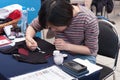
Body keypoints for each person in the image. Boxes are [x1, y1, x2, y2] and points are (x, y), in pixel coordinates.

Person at [25, 0, 99, 64]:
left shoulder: (88, 20)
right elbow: (33, 26)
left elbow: (91, 50)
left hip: (84, 56)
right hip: (62, 53)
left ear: (66, 20)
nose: (52, 30)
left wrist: (67, 46)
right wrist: (28, 38)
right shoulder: (51, 13)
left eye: (53, 27)